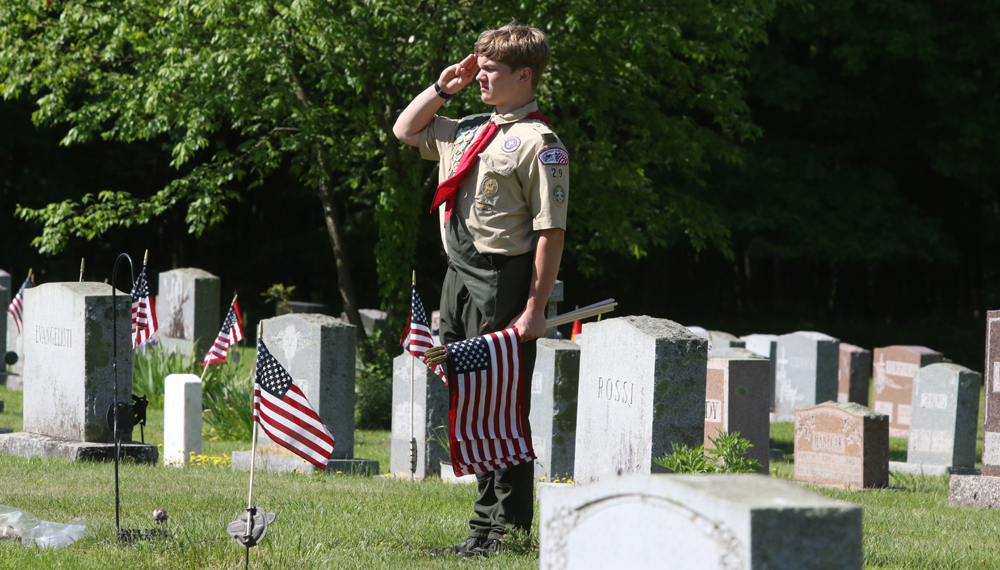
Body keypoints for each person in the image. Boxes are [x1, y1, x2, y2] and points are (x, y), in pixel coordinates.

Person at [393, 22, 569, 558]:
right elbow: (405, 130)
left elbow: (549, 233)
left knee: (503, 403)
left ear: (525, 75)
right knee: (472, 399)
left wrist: (534, 308)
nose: (482, 76)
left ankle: (506, 528)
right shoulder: (468, 128)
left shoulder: (541, 143)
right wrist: (445, 86)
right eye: (480, 65)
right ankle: (480, 525)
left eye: (492, 69)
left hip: (503, 279)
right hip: (457, 276)